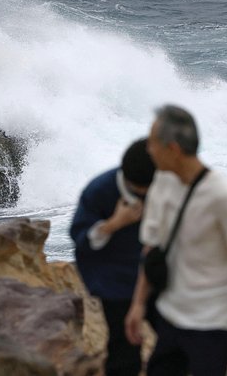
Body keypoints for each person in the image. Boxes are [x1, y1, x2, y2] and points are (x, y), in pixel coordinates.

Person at [125, 105, 227, 376]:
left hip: (212, 324)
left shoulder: (221, 195)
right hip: (170, 317)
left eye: (152, 143)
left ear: (172, 149)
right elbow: (151, 248)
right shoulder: (161, 182)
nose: (148, 149)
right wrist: (138, 304)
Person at [70, 138, 156, 376]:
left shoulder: (164, 184)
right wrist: (115, 223)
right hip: (114, 280)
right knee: (124, 349)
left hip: (155, 274)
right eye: (139, 190)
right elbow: (81, 241)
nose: (145, 194)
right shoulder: (100, 190)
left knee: (176, 338)